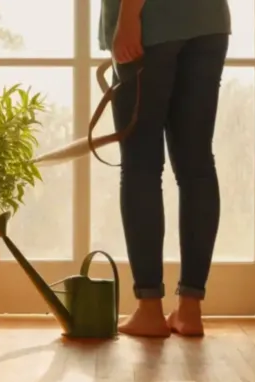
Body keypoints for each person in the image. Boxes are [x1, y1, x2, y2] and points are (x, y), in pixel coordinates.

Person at [99, 0, 231, 338]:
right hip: (208, 22)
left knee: (141, 167)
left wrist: (129, 16)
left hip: (151, 24)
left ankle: (149, 308)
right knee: (197, 165)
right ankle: (189, 309)